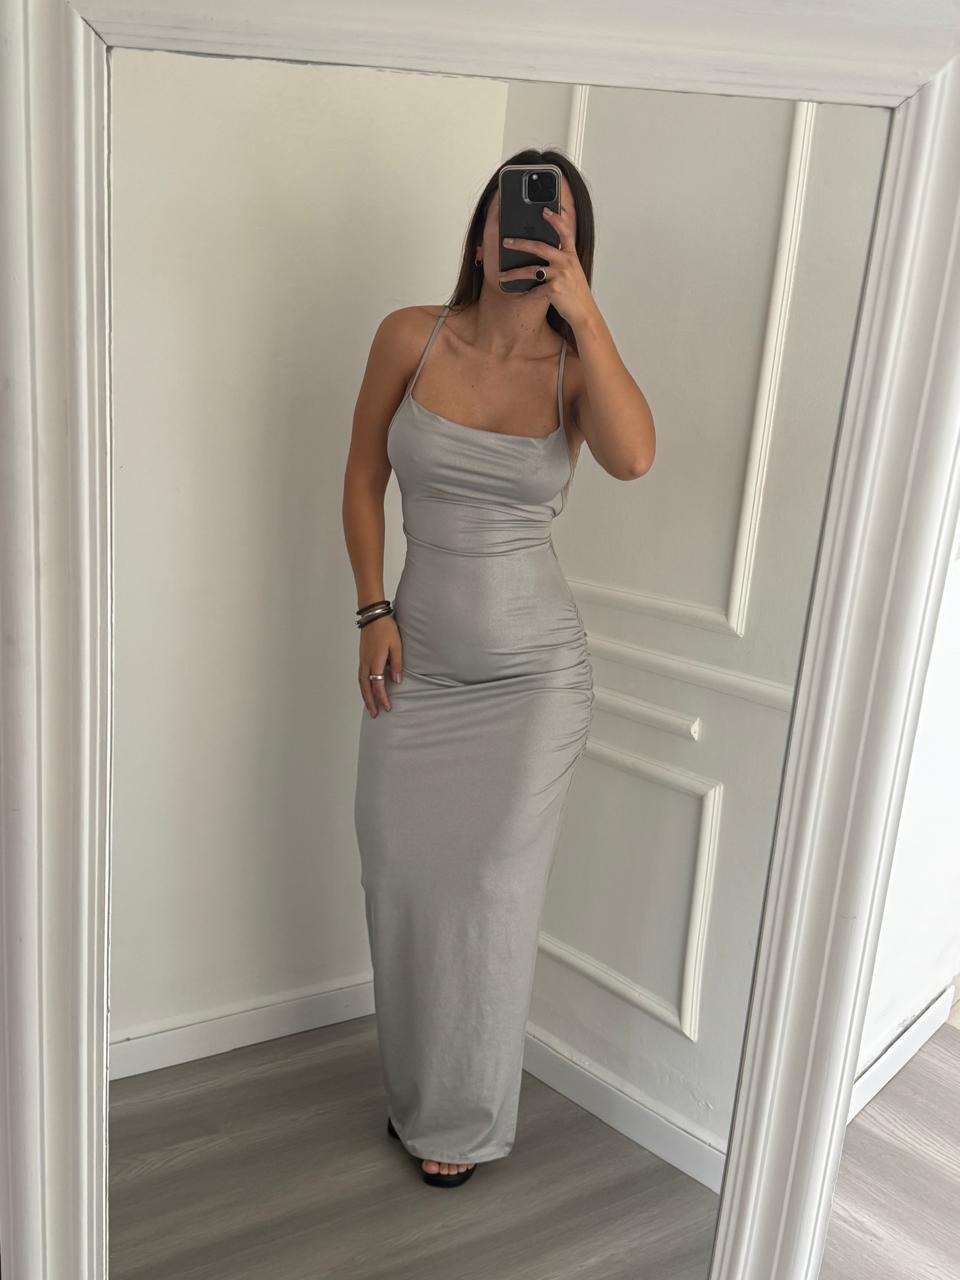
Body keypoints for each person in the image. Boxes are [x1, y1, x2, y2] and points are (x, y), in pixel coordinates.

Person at [342, 149, 654, 1188]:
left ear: (573, 247)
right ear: (481, 231)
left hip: (533, 684)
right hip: (417, 664)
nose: (524, 236)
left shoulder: (575, 367)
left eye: (550, 226)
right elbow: (361, 475)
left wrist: (587, 314)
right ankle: (418, 1098)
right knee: (398, 877)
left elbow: (634, 457)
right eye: (511, 217)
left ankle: (463, 1122)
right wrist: (371, 607)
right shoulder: (410, 335)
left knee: (487, 898)